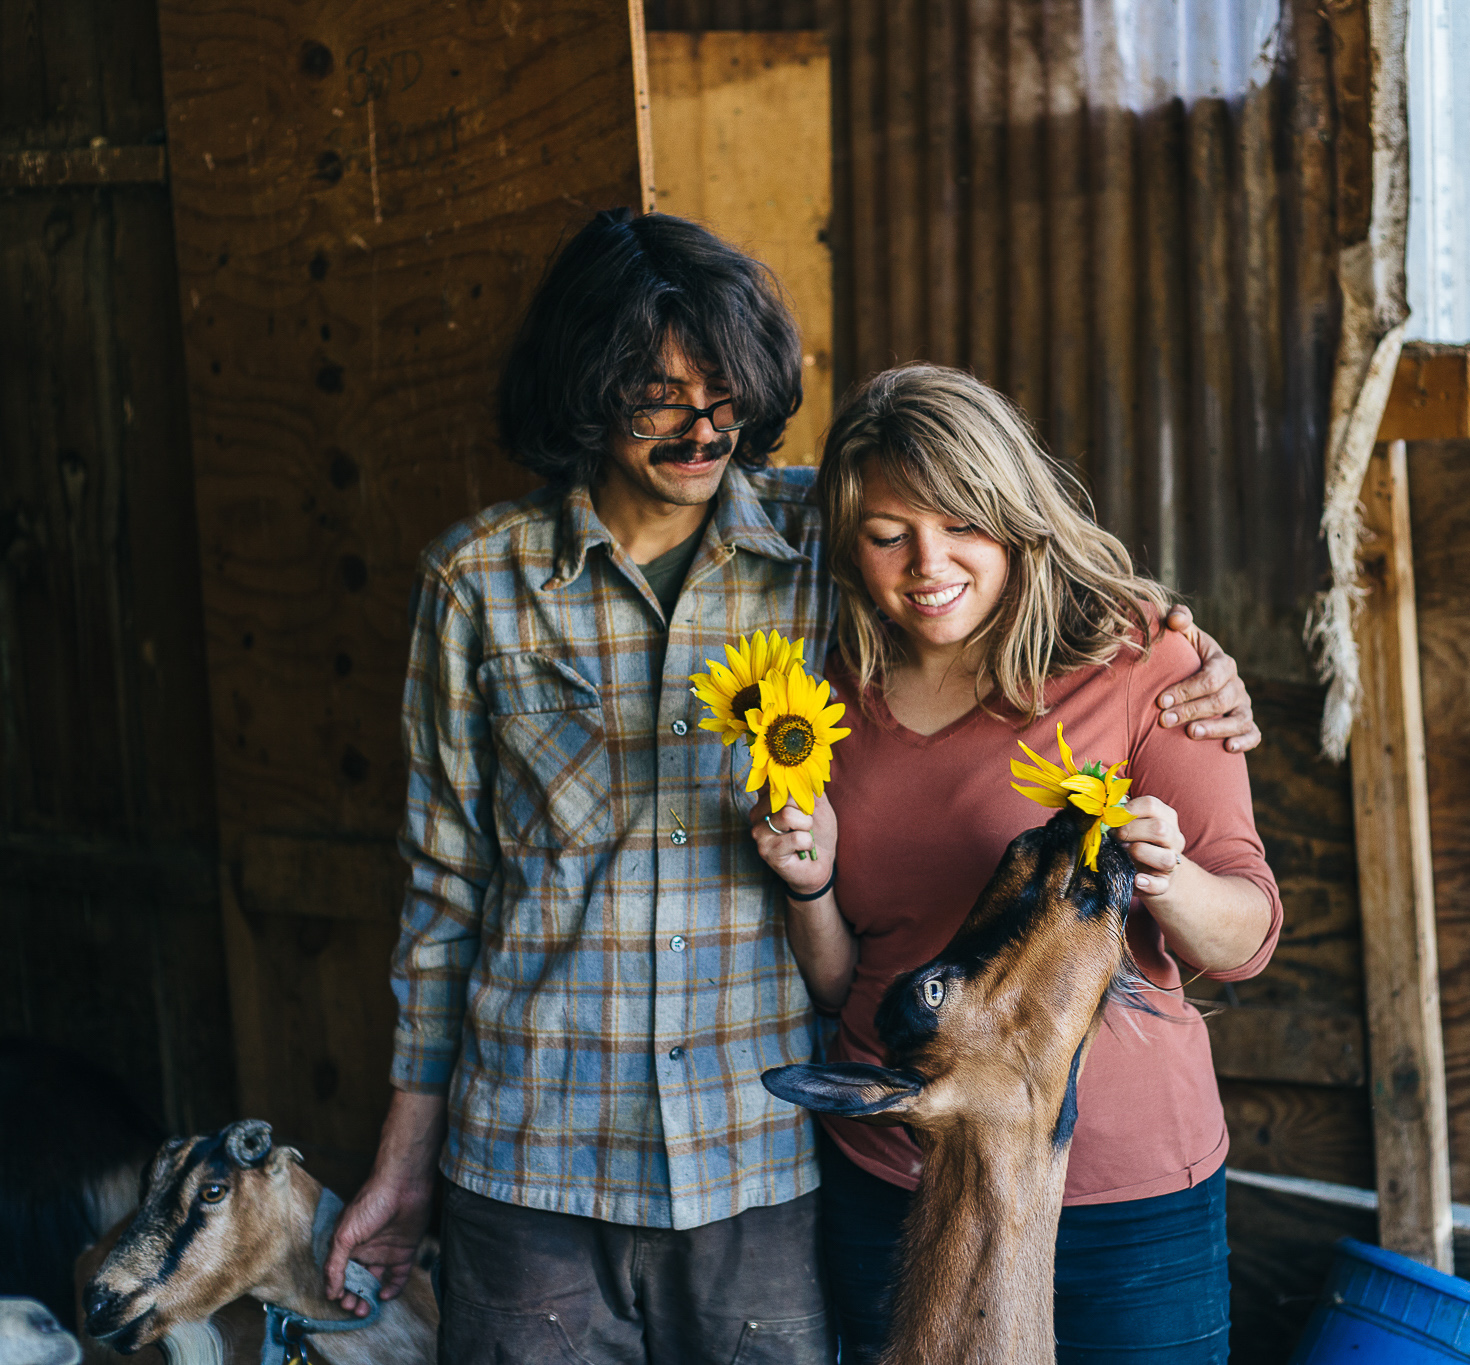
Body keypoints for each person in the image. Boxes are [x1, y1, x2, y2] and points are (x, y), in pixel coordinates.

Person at [321, 210, 1262, 1363]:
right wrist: (402, 1158)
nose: (700, 428)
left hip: (756, 1151)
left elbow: (980, 529)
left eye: (724, 397)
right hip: (542, 1143)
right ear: (581, 388)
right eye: (657, 397)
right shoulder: (481, 587)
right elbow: (442, 892)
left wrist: (1192, 654)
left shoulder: (827, 548)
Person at [751, 365, 1281, 1364]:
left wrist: (1163, 880)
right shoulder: (819, 694)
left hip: (1119, 1191)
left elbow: (1245, 938)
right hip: (902, 1173)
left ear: (1014, 516)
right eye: (886, 534)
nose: (927, 562)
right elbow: (843, 976)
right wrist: (809, 885)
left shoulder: (1140, 660)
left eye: (962, 524)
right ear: (847, 544)